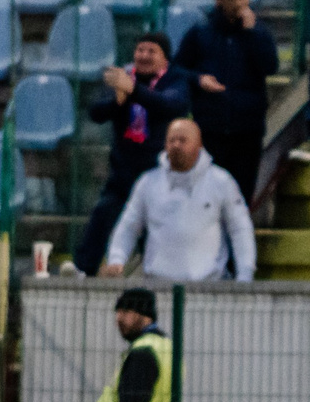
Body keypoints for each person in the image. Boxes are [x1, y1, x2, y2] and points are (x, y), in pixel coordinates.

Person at [72, 34, 192, 276]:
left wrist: (134, 90)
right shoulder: (122, 77)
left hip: (158, 174)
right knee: (103, 214)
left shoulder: (175, 79)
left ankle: (163, 275)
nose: (144, 56)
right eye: (140, 50)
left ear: (164, 58)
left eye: (151, 51)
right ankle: (82, 271)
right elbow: (96, 112)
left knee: (156, 228)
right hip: (123, 170)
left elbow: (169, 105)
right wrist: (118, 102)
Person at [100, 117, 256, 283]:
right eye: (171, 141)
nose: (176, 145)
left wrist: (245, 274)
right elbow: (128, 226)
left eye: (183, 141)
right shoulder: (147, 183)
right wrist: (117, 258)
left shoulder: (221, 181)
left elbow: (240, 229)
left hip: (209, 287)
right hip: (158, 287)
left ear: (199, 145)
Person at [172, 0, 279, 197]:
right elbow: (176, 68)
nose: (239, 3)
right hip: (211, 129)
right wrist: (198, 79)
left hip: (247, 131)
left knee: (240, 198)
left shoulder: (259, 32)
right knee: (206, 198)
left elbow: (270, 67)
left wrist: (253, 35)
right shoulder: (200, 33)